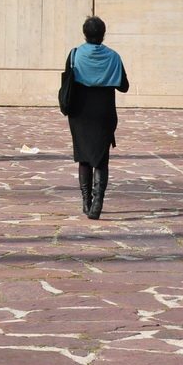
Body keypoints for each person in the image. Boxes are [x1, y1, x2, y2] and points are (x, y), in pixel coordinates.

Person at [67, 16, 129, 220]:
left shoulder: (75, 54)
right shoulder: (114, 57)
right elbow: (123, 86)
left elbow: (68, 82)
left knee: (83, 157)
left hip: (80, 112)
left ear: (85, 33)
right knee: (101, 159)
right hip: (104, 111)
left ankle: (86, 202)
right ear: (103, 33)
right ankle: (98, 202)